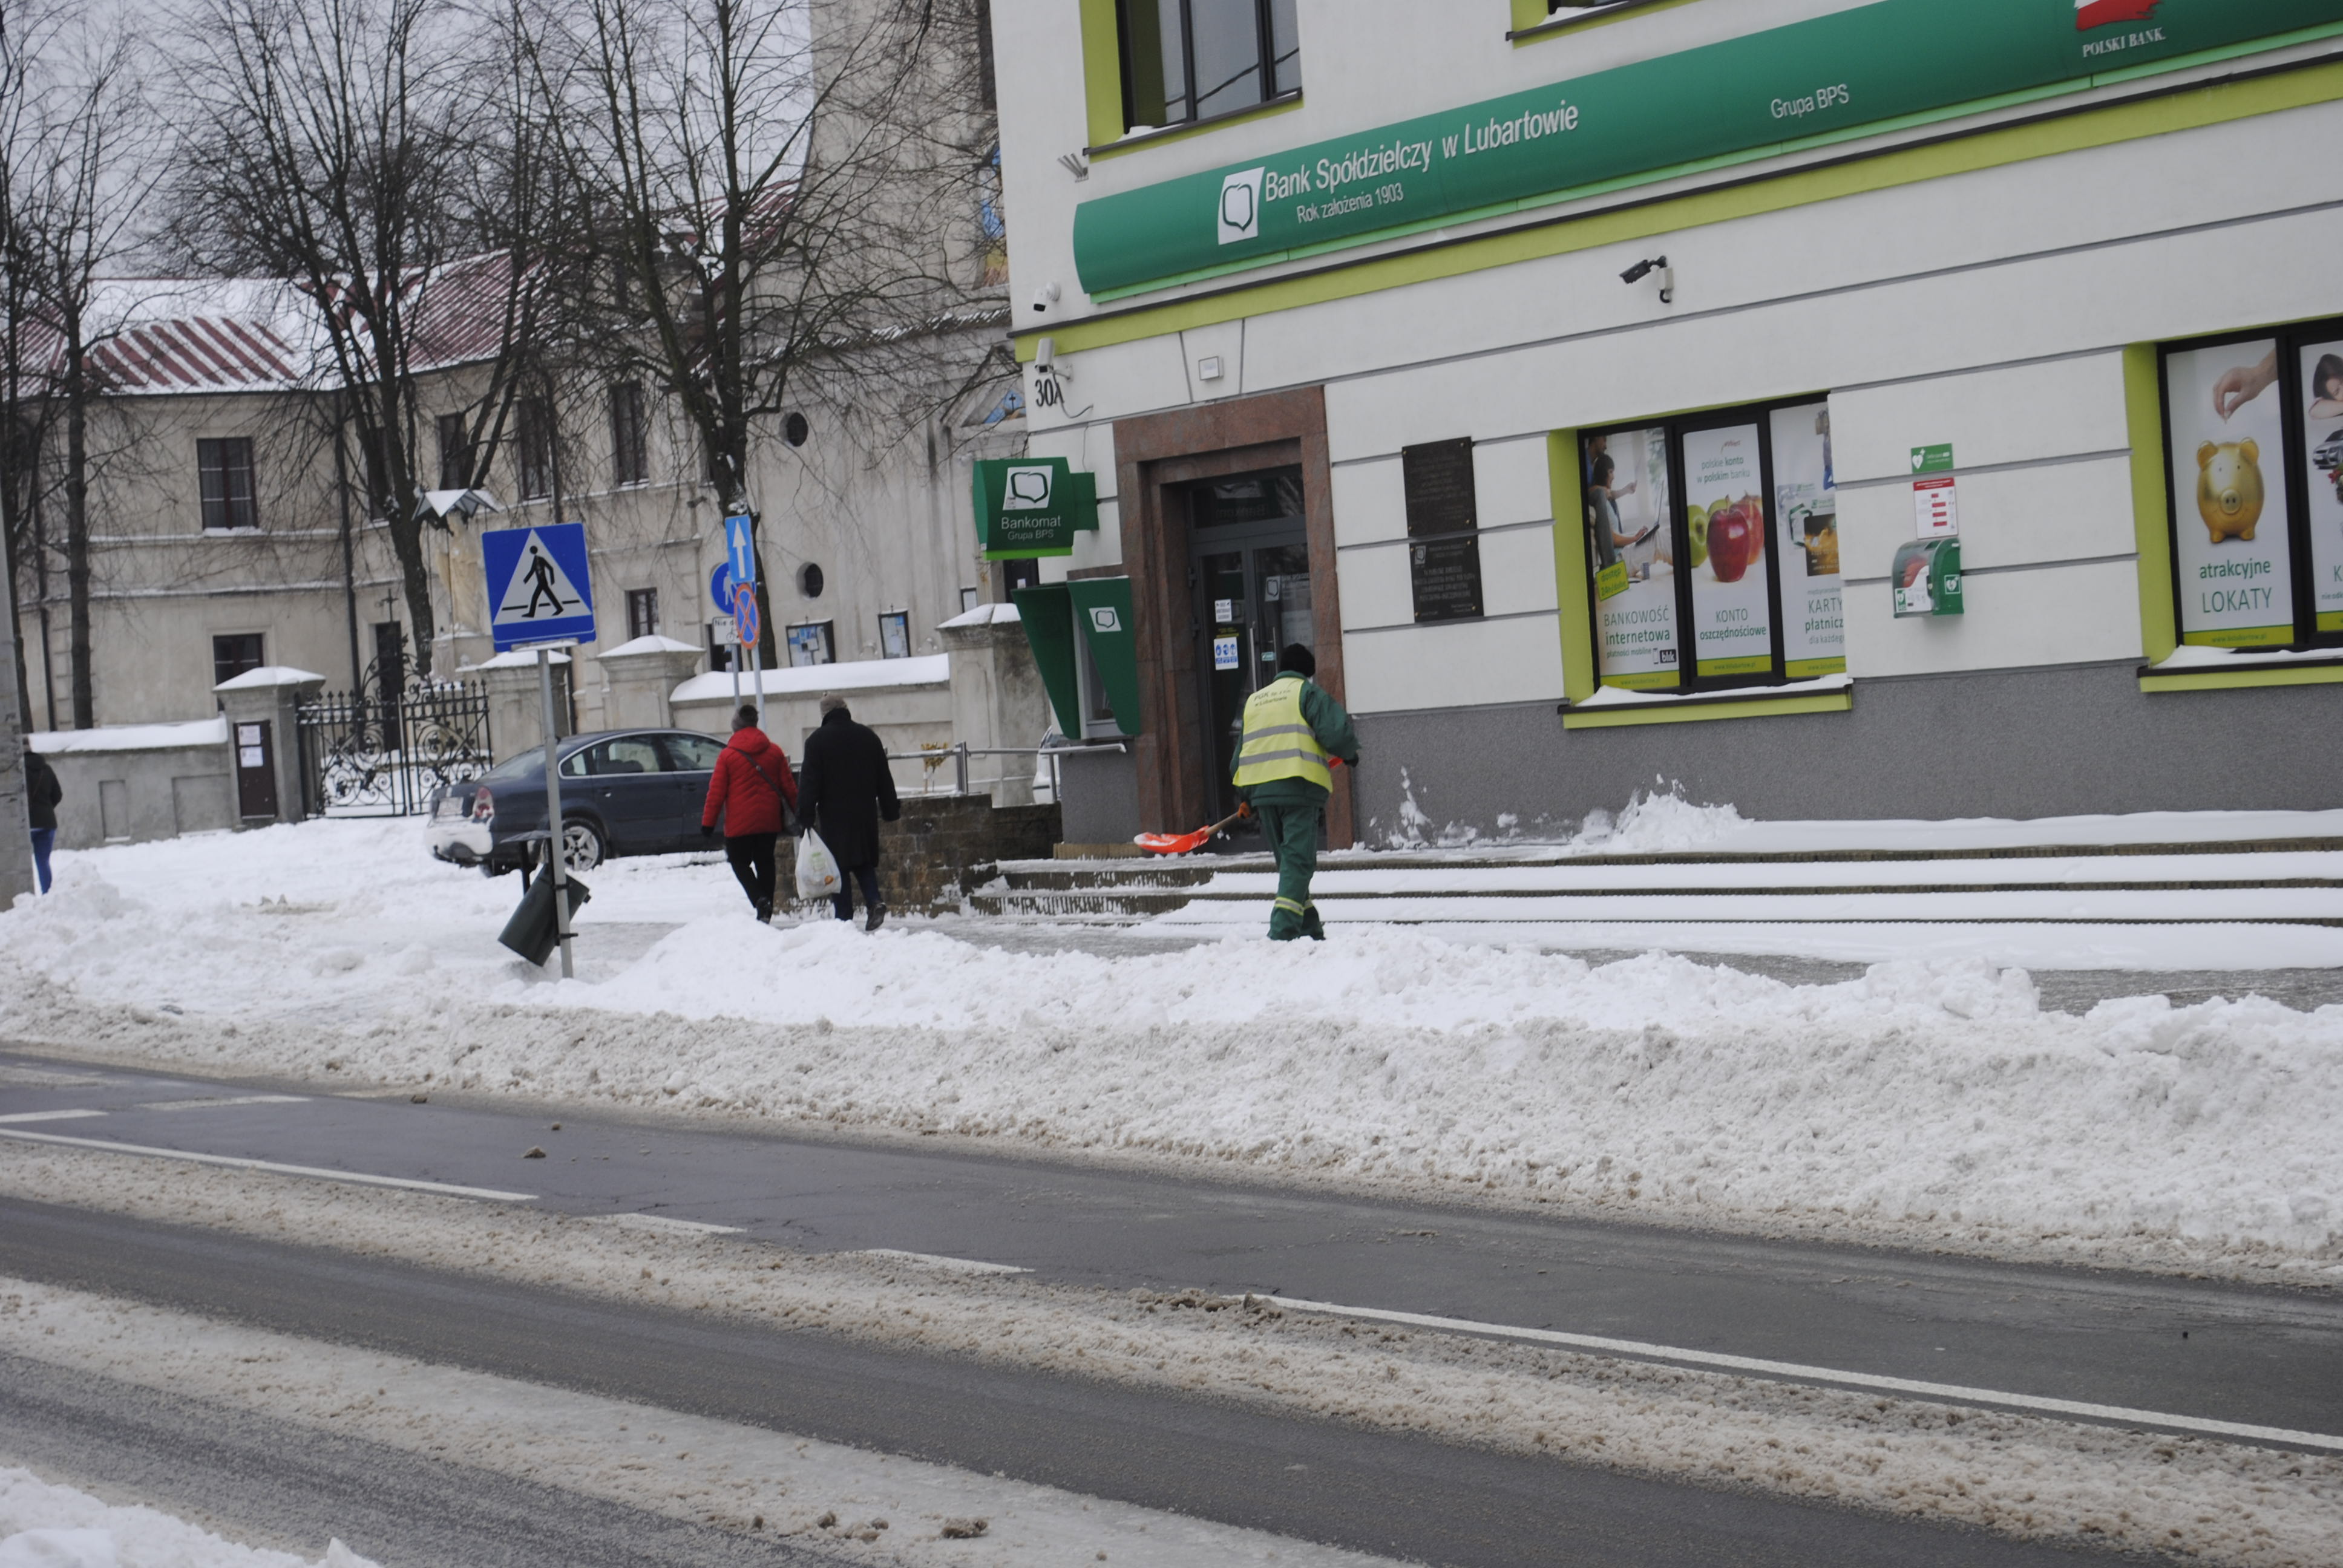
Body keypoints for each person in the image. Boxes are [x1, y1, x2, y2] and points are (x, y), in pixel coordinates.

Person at [1233, 644, 1358, 942]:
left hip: (1263, 794)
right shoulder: (1307, 693)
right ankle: (1282, 932)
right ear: (1307, 672)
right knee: (1299, 862)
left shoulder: (1255, 701)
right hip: (1299, 789)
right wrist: (1350, 753)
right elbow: (1336, 732)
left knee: (1290, 864)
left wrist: (1247, 796)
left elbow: (1239, 757)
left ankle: (1310, 928)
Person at [796, 694, 900, 930]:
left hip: (834, 813)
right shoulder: (868, 736)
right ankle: (874, 901)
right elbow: (884, 777)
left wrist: (805, 817)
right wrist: (890, 809)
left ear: (824, 714)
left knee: (838, 864)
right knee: (862, 859)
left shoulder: (816, 741)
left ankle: (844, 919)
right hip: (864, 811)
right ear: (846, 709)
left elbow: (809, 783)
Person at [700, 704, 798, 923]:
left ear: (736, 726)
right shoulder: (774, 752)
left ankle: (759, 899)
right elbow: (789, 787)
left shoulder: (727, 756)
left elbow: (716, 793)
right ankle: (766, 908)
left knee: (739, 862)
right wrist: (799, 811)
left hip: (739, 824)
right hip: (769, 820)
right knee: (765, 862)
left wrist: (708, 824)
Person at [23, 745, 61, 895]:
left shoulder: (17, 770)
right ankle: (48, 894)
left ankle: (23, 896)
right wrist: (46, 809)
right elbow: (58, 794)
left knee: (21, 864)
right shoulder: (47, 769)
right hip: (47, 823)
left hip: (24, 824)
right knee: (43, 862)